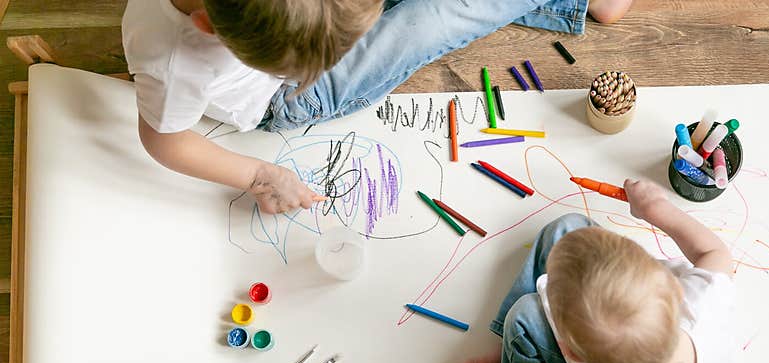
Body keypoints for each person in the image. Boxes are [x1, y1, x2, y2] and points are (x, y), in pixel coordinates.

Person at [122, 0, 634, 214]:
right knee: (435, 18)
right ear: (209, 26)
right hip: (294, 95)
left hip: (306, 30)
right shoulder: (175, 63)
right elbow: (164, 139)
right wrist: (257, 173)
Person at [459, 179, 735, 363]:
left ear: (570, 352)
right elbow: (714, 253)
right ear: (672, 287)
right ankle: (509, 346)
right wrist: (656, 208)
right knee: (567, 228)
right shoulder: (703, 299)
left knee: (523, 317)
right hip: (610, 340)